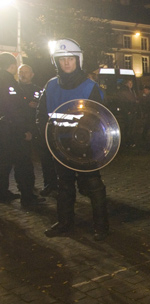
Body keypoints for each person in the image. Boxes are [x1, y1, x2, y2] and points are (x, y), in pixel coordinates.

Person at [37, 39, 109, 240]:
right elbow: (41, 115)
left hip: (86, 146)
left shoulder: (90, 87)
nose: (67, 63)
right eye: (62, 59)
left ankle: (101, 226)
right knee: (64, 186)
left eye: (70, 58)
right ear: (56, 62)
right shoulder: (51, 86)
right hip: (60, 145)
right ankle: (64, 223)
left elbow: (101, 119)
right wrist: (47, 139)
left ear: (78, 60)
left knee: (93, 186)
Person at [0, 53, 44, 206]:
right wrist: (23, 130)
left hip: (4, 129)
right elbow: (14, 109)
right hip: (12, 130)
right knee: (23, 163)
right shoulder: (9, 82)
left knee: (4, 162)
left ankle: (2, 192)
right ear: (13, 66)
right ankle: (27, 195)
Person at [18, 64, 57, 197]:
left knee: (45, 156)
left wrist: (37, 106)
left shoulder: (39, 90)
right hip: (21, 127)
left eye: (26, 72)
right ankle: (26, 187)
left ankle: (50, 184)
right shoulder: (15, 88)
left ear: (32, 74)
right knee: (22, 158)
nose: (23, 74)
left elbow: (45, 107)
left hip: (36, 127)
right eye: (21, 72)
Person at [118, 78, 138, 147]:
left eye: (132, 83)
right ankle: (127, 142)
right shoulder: (124, 91)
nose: (131, 84)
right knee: (128, 127)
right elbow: (123, 103)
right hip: (129, 112)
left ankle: (130, 141)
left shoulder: (132, 91)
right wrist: (127, 111)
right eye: (130, 83)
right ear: (126, 84)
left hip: (132, 111)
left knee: (132, 127)